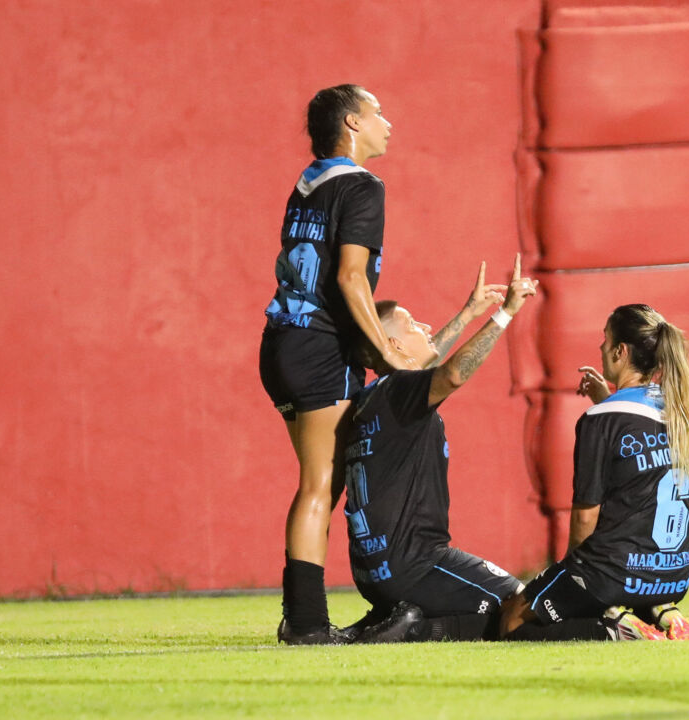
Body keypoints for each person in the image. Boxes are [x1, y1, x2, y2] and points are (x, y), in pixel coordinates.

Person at [260, 84, 416, 645]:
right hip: (318, 346)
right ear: (352, 122)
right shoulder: (362, 185)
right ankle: (304, 623)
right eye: (378, 111)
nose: (388, 122)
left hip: (280, 343)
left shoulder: (308, 183)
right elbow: (351, 278)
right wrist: (386, 352)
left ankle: (301, 614)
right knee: (319, 484)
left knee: (319, 482)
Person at [339, 257, 537, 643]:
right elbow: (450, 374)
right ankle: (413, 629)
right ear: (393, 344)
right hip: (417, 565)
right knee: (522, 605)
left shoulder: (373, 398)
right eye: (413, 325)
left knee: (501, 609)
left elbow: (425, 359)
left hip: (375, 570)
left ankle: (388, 621)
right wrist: (505, 314)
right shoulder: (400, 391)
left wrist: (466, 315)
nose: (426, 328)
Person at [498, 305, 689, 643]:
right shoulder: (680, 411)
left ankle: (614, 627)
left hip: (615, 573)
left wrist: (571, 575)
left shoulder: (600, 419)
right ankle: (660, 609)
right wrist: (607, 398)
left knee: (511, 622)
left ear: (621, 351)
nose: (601, 348)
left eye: (604, 341)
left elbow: (585, 516)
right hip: (674, 575)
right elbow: (639, 462)